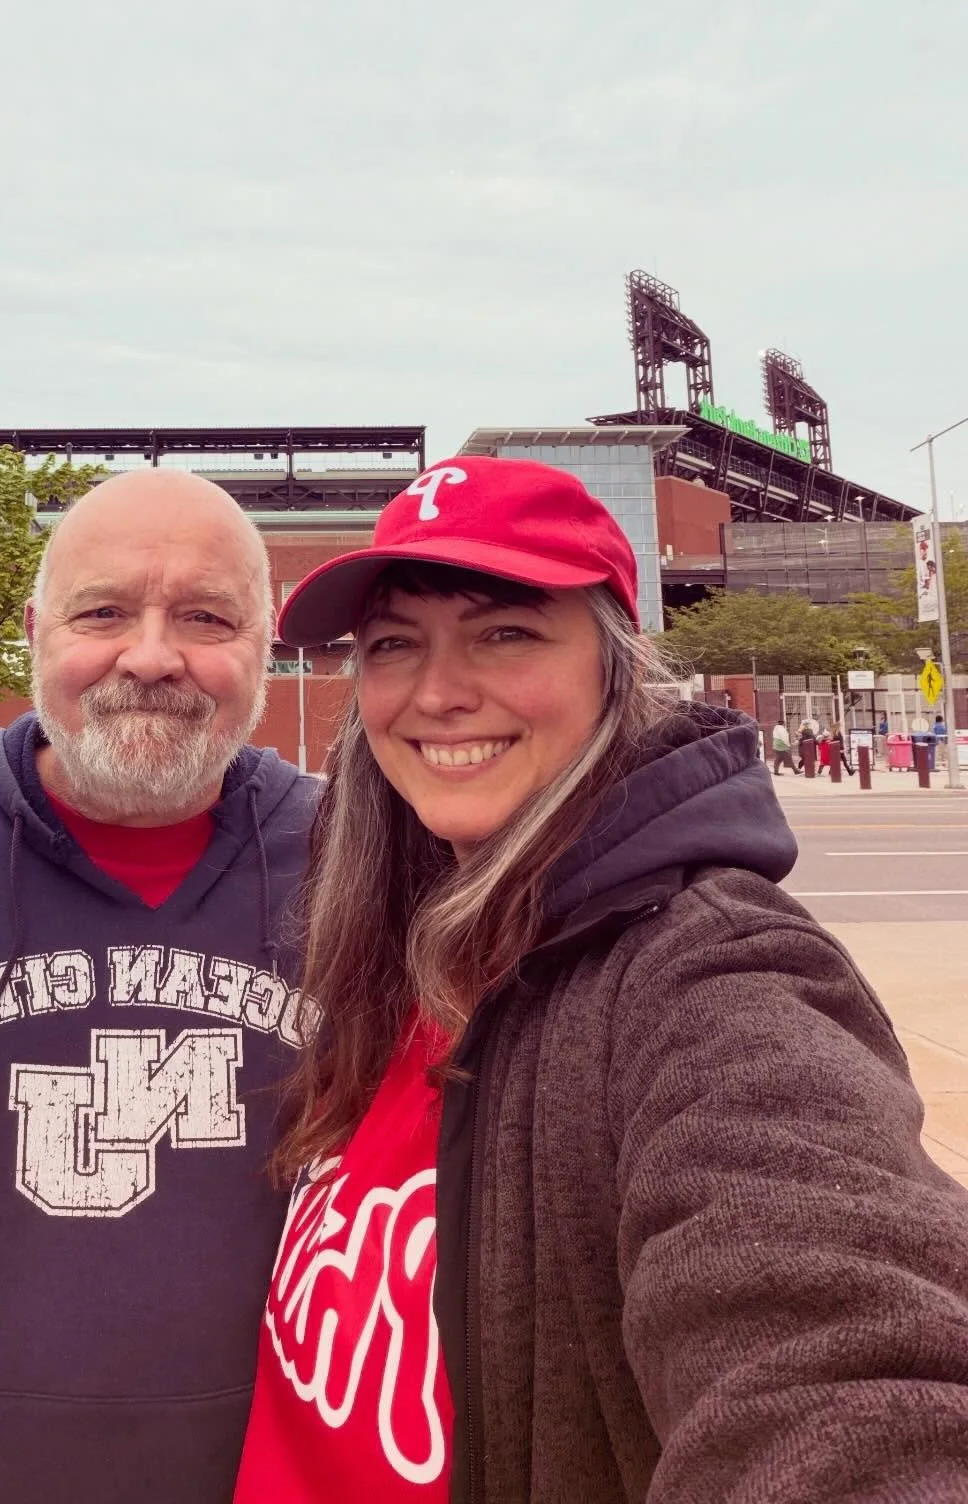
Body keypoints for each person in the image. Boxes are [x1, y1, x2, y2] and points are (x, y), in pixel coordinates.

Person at [233, 455, 968, 1503]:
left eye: (505, 632)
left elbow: (841, 1360)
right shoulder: (398, 953)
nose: (439, 692)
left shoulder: (709, 977)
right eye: (396, 644)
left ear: (617, 667)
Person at [0, 468, 318, 1504]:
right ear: (34, 629)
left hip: (279, 1475)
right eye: (103, 613)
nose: (151, 656)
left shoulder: (366, 859)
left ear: (265, 638)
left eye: (205, 617)